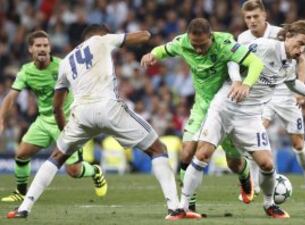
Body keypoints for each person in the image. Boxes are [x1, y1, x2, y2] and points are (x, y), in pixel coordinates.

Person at [7, 25, 180, 220]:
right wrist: (141, 39)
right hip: (108, 108)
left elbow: (57, 106)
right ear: (101, 34)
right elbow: (144, 35)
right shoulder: (102, 40)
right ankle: (174, 208)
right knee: (158, 149)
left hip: (80, 114)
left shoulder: (65, 62)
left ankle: (24, 208)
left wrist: (66, 131)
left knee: (56, 157)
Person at [173, 20, 305, 220]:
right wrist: (239, 81)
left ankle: (269, 204)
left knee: (266, 164)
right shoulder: (264, 46)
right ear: (288, 35)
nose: (301, 49)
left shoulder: (289, 64)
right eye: (300, 43)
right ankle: (182, 206)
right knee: (202, 154)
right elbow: (232, 58)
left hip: (250, 116)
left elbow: (292, 84)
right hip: (225, 107)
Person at [141, 18, 264, 212]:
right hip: (201, 106)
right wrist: (151, 54)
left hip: (226, 107)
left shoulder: (226, 45)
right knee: (187, 152)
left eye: (202, 45)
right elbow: (163, 50)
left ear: (211, 37)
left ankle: (244, 174)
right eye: (194, 45)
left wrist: (246, 84)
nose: (198, 50)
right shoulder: (183, 42)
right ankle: (189, 205)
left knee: (233, 162)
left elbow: (255, 63)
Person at [0, 30, 107, 202]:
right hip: (43, 121)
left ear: (50, 48)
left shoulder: (63, 66)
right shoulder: (26, 71)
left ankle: (95, 171)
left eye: (45, 45)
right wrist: (1, 119)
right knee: (21, 154)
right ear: (30, 49)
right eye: (38, 46)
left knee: (74, 171)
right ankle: (20, 192)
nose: (42, 49)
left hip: (67, 122)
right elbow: (11, 96)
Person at [237, 0, 305, 202]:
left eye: (256, 17)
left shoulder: (282, 34)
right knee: (256, 134)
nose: (252, 21)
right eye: (248, 18)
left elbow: (302, 60)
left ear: (264, 15)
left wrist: (300, 90)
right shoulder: (242, 38)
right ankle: (254, 184)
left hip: (285, 91)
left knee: (298, 142)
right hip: (262, 92)